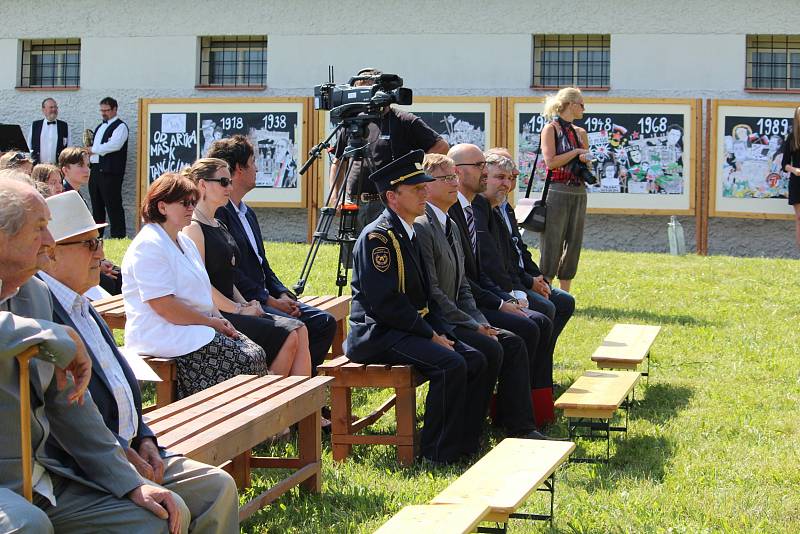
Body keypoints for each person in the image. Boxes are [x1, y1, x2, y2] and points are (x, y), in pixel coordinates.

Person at [38, 189, 240, 533]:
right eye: (89, 244)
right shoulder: (43, 313)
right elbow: (63, 419)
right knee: (160, 517)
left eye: (98, 240)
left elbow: (119, 387)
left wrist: (144, 438)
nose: (101, 253)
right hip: (86, 466)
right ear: (50, 254)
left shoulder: (81, 306)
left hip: (134, 449)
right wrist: (123, 454)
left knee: (217, 487)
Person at [0, 177, 186, 534]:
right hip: (12, 495)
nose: (49, 242)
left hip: (42, 481)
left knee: (152, 521)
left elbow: (69, 404)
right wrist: (54, 334)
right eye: (40, 228)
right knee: (28, 526)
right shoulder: (47, 314)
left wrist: (131, 483)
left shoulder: (34, 296)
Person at [346, 149, 491, 464]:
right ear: (392, 197)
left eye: (425, 186)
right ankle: (437, 453)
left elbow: (425, 298)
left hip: (405, 329)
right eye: (416, 189)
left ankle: (466, 442)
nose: (425, 192)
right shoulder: (379, 239)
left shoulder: (407, 231)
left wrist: (439, 330)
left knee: (476, 359)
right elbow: (387, 304)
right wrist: (430, 335)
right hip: (379, 334)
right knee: (450, 365)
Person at [414, 153, 545, 439]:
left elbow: (468, 279)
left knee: (526, 327)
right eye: (479, 166)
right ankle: (490, 428)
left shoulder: (459, 214)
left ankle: (515, 419)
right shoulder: (429, 222)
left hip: (466, 307)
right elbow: (436, 290)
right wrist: (477, 319)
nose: (484, 172)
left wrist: (496, 304)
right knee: (508, 338)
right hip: (443, 318)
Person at [121, 173, 268, 399]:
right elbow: (163, 306)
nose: (191, 207)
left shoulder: (185, 241)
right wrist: (210, 322)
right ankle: (220, 421)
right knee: (243, 362)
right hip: (162, 332)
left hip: (197, 326)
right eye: (184, 202)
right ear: (162, 206)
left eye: (193, 201)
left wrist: (219, 318)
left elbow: (202, 289)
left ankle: (251, 427)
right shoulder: (148, 245)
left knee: (255, 353)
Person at [448, 143, 555, 427]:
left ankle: (530, 406)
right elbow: (465, 278)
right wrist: (500, 301)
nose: (486, 173)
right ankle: (515, 418)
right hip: (458, 308)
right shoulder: (453, 212)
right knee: (526, 328)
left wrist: (511, 293)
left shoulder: (474, 207)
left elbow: (497, 261)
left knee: (539, 319)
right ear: (458, 173)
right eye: (481, 167)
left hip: (478, 297)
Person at [209, 135, 336, 372]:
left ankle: (303, 388)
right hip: (246, 301)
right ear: (238, 169)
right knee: (295, 327)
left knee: (323, 322)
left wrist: (283, 293)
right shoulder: (218, 215)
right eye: (252, 162)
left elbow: (262, 264)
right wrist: (270, 301)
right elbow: (232, 274)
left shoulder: (248, 214)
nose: (257, 168)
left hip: (265, 296)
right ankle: (282, 386)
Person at [181, 158, 312, 376]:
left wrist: (247, 303)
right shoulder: (194, 229)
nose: (230, 188)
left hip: (232, 308)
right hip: (217, 314)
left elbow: (228, 279)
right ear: (202, 185)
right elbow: (203, 285)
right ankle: (267, 400)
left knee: (300, 328)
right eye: (223, 182)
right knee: (289, 334)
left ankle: (306, 409)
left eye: (230, 182)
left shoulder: (218, 224)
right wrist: (239, 309)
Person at [328, 67, 449, 230]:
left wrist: (415, 176)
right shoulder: (353, 123)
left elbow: (441, 146)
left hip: (388, 203)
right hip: (354, 204)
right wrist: (335, 196)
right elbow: (338, 162)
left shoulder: (403, 121)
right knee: (352, 253)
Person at [484, 150, 575, 365]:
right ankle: (535, 370)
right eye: (502, 176)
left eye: (512, 176)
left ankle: (540, 362)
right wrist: (527, 283)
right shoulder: (486, 208)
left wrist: (538, 277)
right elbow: (498, 261)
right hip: (506, 284)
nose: (508, 181)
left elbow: (520, 249)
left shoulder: (506, 207)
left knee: (564, 301)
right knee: (546, 308)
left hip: (520, 279)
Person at [539, 87, 591, 292]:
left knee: (574, 241)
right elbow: (550, 162)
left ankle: (565, 292)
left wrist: (586, 160)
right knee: (552, 240)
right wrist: (577, 152)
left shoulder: (580, 133)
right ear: (570, 104)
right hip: (557, 190)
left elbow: (585, 165)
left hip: (578, 190)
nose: (583, 109)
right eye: (581, 104)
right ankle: (546, 289)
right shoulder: (551, 129)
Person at [88, 97, 128, 238]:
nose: (104, 113)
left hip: (111, 172)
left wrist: (93, 149)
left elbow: (115, 145)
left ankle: (118, 236)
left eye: (106, 110)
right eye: (102, 110)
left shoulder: (120, 126)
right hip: (96, 169)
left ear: (115, 109)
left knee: (113, 205)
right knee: (96, 205)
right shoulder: (99, 127)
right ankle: (97, 236)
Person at [28, 98, 70, 165]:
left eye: (55, 107)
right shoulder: (35, 125)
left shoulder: (64, 126)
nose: (54, 109)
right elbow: (29, 145)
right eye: (51, 107)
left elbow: (69, 147)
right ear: (43, 110)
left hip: (58, 167)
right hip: (38, 166)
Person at [781, 106, 800, 248]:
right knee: (799, 218)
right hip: (797, 182)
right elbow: (784, 164)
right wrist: (794, 170)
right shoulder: (792, 138)